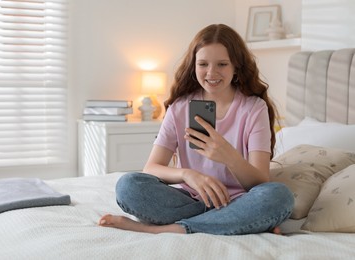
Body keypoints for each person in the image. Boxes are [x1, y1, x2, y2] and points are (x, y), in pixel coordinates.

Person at [99, 24, 294, 235]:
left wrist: (229, 156)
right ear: (194, 66)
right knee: (128, 185)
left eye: (222, 64)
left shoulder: (254, 108)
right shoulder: (180, 108)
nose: (211, 73)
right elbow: (152, 167)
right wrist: (187, 174)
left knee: (278, 195)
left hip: (237, 201)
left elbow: (260, 180)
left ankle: (166, 229)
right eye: (203, 64)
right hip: (191, 201)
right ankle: (230, 224)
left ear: (236, 67)